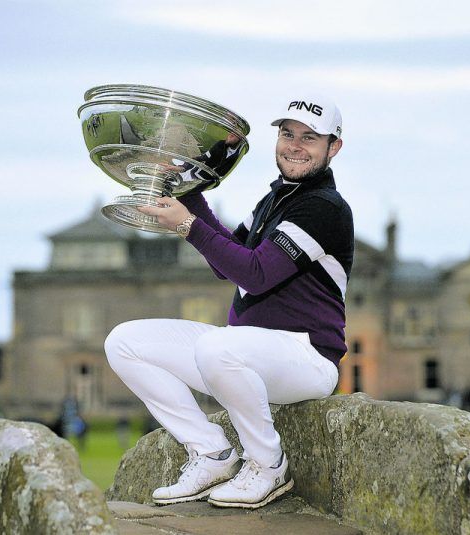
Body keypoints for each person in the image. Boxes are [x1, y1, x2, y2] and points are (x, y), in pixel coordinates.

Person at [104, 94, 353, 509]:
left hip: (306, 358)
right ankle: (212, 454)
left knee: (216, 346)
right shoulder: (276, 199)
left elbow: (254, 275)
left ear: (333, 148)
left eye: (310, 138)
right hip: (245, 352)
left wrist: (185, 225)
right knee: (123, 341)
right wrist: (189, 187)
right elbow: (227, 261)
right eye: (288, 134)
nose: (295, 145)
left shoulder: (324, 208)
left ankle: (269, 467)